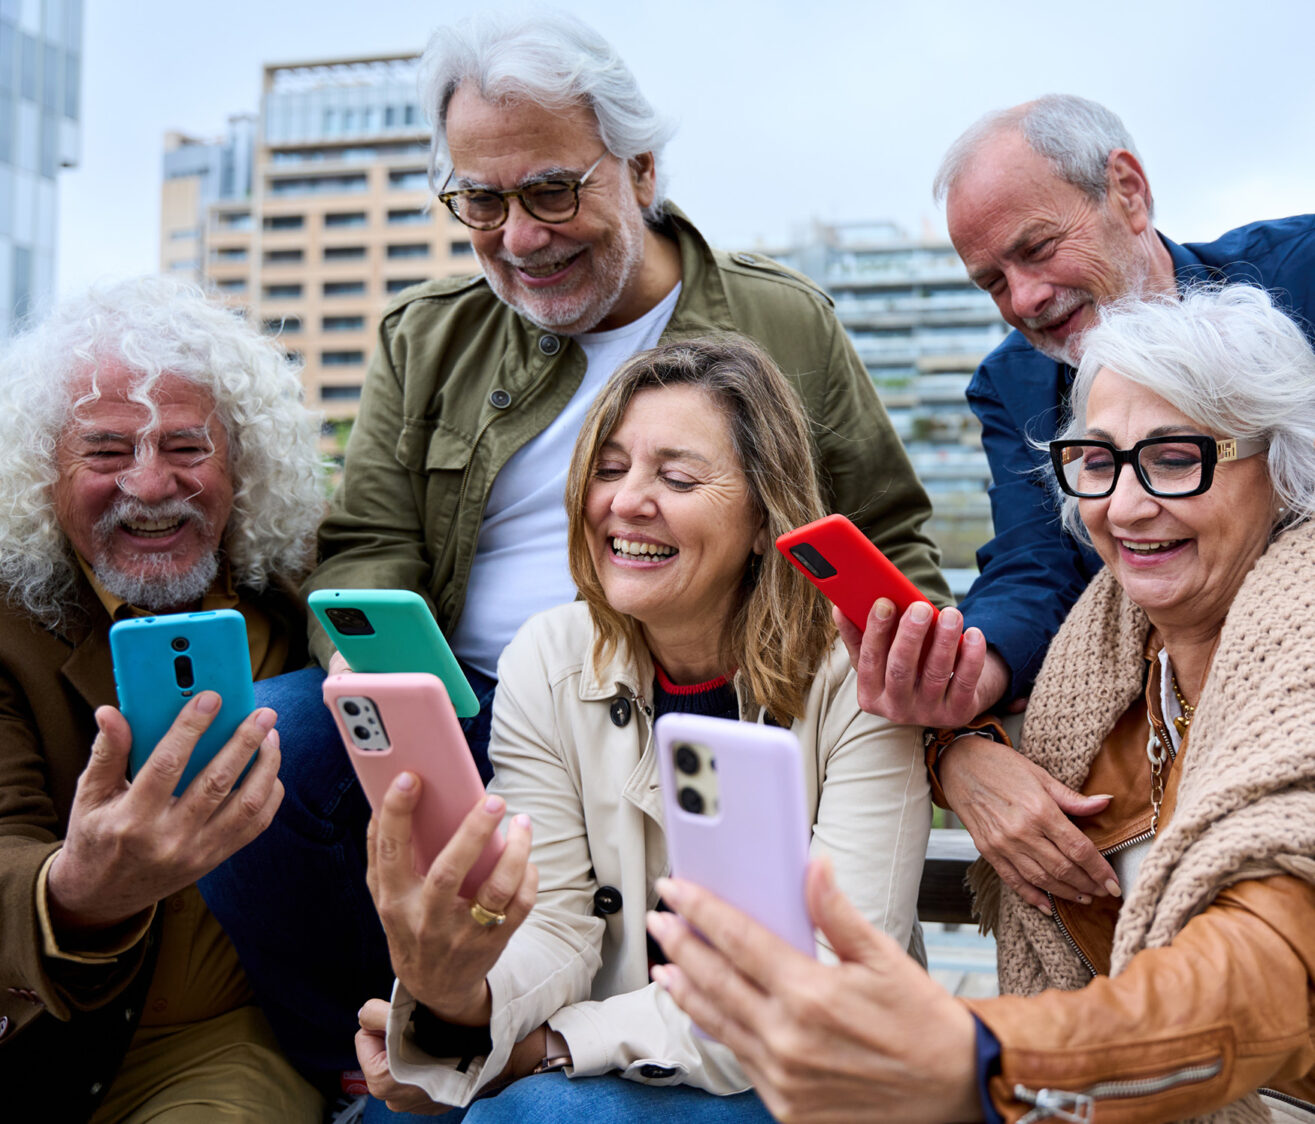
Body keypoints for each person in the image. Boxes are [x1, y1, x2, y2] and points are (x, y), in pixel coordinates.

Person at [648, 286, 1315, 1123]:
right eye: (1097, 462)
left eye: (1177, 458)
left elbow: (1262, 969)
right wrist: (951, 746)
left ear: (1284, 462)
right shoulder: (1102, 658)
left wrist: (980, 1056)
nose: (1125, 505)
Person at [304, 10, 949, 776]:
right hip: (466, 707)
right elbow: (370, 545)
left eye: (551, 191)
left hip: (708, 698)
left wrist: (938, 706)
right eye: (481, 202)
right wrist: (362, 659)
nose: (518, 238)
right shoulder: (424, 336)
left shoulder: (783, 319)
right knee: (277, 747)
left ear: (640, 168)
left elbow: (880, 537)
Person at [354, 336, 931, 1120]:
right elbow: (554, 921)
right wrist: (460, 1005)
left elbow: (828, 981)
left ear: (765, 516)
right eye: (608, 467)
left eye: (678, 477)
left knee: (529, 1114)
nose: (625, 501)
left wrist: (539, 1052)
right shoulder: (547, 658)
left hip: (810, 1078)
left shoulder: (861, 671)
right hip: (623, 1060)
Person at [846, 93, 1315, 911]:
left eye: (1036, 249)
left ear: (1127, 191)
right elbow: (1037, 563)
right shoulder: (1013, 383)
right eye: (992, 280)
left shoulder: (1302, 275)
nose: (1025, 298)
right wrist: (966, 688)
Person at [0, 277, 326, 1121]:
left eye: (186, 448)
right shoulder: (8, 622)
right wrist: (77, 889)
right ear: (42, 472)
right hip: (36, 1029)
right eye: (106, 452)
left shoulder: (296, 587)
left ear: (241, 460)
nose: (149, 487)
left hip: (215, 1042)